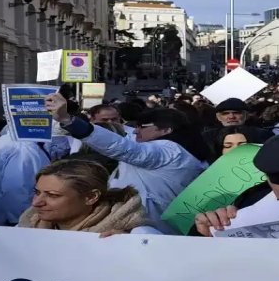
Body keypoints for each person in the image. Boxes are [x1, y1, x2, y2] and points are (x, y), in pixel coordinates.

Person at [45, 95, 207, 231]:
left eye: (142, 126)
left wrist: (69, 120)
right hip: (150, 227)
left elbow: (122, 147)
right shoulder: (179, 151)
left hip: (148, 229)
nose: (135, 130)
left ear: (166, 130)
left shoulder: (167, 150)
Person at [0, 160, 152, 236]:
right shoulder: (26, 227)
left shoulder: (137, 235)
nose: (36, 203)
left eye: (53, 195)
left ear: (90, 197)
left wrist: (134, 252)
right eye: (37, 192)